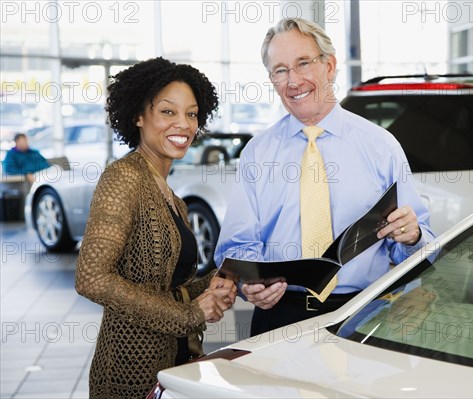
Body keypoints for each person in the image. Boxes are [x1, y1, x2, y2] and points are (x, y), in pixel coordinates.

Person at [214, 18, 435, 336]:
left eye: (303, 63)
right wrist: (252, 281)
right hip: (278, 318)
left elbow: (421, 247)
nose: (293, 81)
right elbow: (236, 245)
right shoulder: (257, 154)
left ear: (329, 66)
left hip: (362, 314)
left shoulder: (380, 146)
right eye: (280, 70)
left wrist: (412, 236)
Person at [75, 57, 237, 399]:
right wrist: (189, 315)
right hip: (128, 373)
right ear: (138, 115)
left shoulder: (172, 197)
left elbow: (167, 287)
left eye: (191, 114)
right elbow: (92, 278)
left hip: (176, 362)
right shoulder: (123, 178)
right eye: (168, 111)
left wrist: (219, 281)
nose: (183, 124)